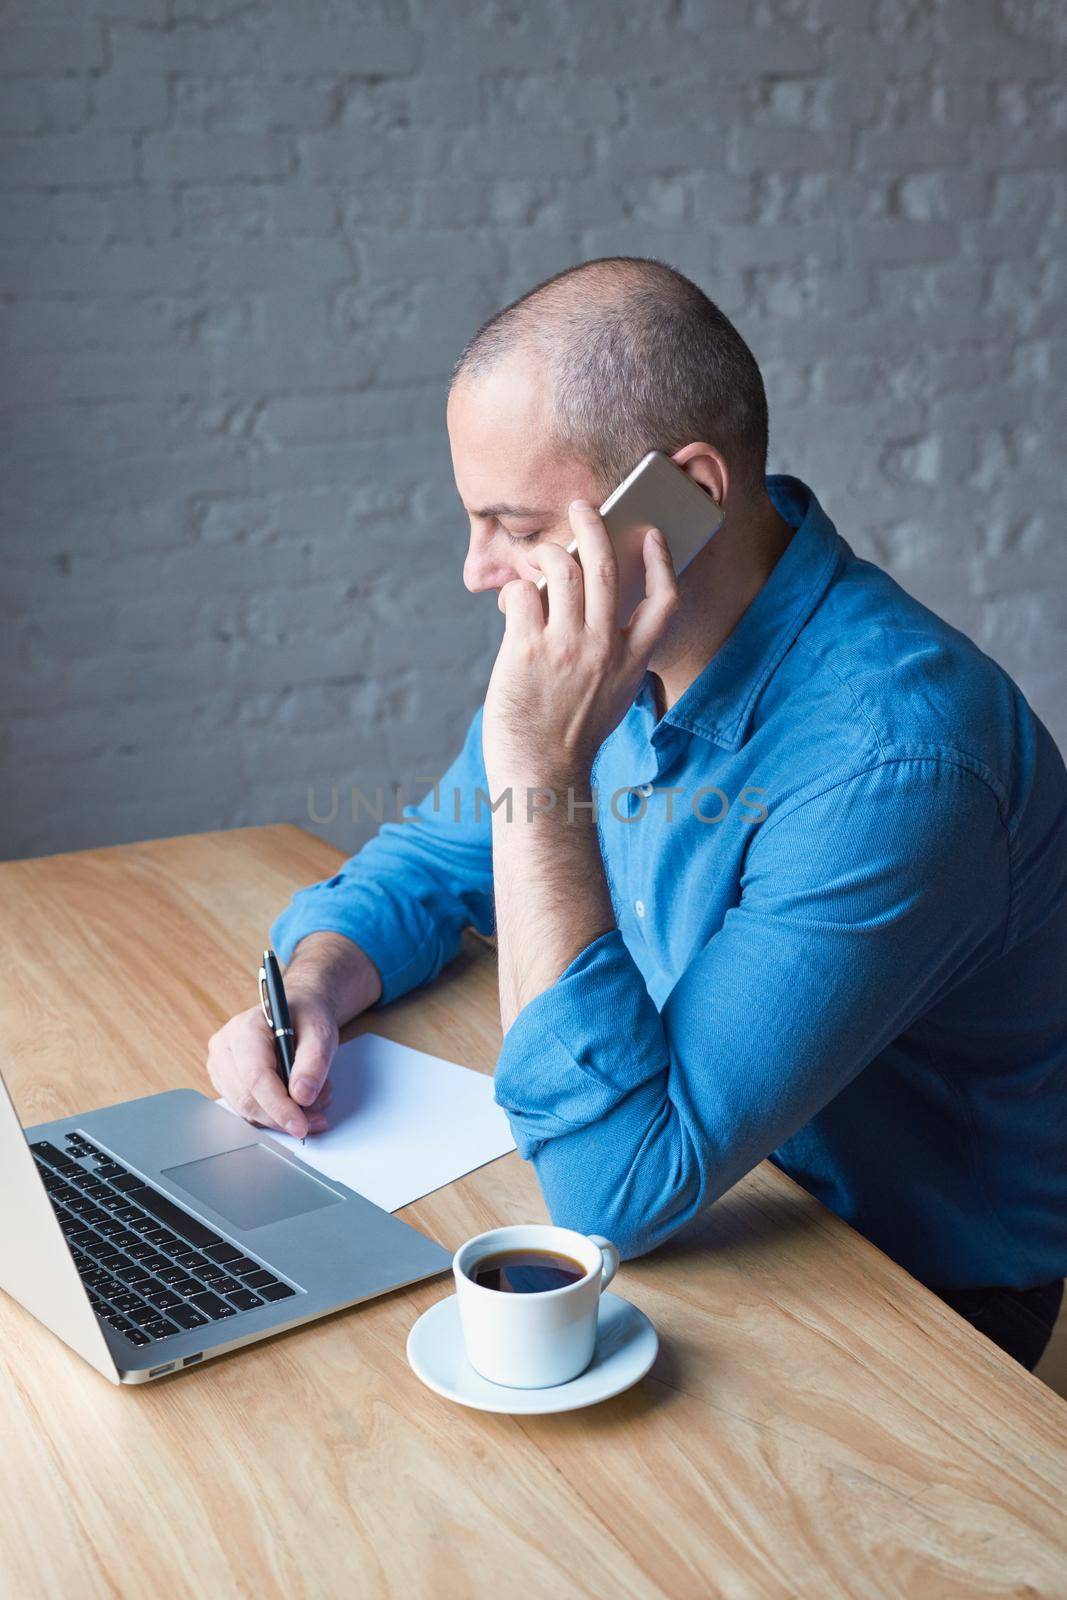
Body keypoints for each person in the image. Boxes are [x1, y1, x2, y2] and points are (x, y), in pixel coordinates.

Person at [206, 256, 1067, 1372]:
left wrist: (538, 764)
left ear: (686, 496)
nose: (477, 571)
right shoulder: (599, 649)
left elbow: (614, 1188)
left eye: (512, 524)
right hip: (709, 1213)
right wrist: (317, 977)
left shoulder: (899, 767)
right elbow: (431, 860)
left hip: (908, 1303)